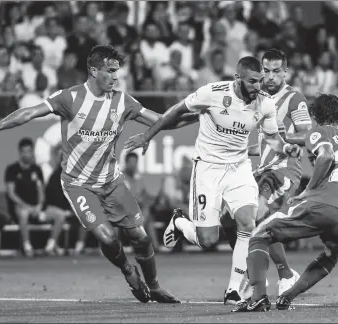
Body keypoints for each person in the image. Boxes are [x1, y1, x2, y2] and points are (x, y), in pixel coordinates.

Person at [0, 45, 197, 304]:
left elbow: (162, 121)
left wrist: (200, 115)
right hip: (78, 184)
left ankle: (155, 286)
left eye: (117, 72)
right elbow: (31, 112)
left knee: (141, 236)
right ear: (93, 71)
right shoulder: (69, 98)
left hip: (111, 181)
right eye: (110, 71)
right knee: (108, 237)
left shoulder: (123, 101)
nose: (115, 77)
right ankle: (127, 270)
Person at [124, 56, 302, 305]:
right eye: (252, 81)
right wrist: (147, 136)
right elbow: (175, 112)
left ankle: (233, 291)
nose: (257, 86)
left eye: (260, 81)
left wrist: (287, 148)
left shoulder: (265, 103)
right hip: (208, 169)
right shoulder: (213, 93)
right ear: (238, 78)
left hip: (239, 169)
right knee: (207, 240)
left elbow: (272, 138)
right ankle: (180, 223)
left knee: (248, 223)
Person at [233, 94, 338, 312]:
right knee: (329, 257)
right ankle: (288, 296)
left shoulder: (320, 132)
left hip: (323, 205)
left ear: (313, 115)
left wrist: (309, 189)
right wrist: (283, 138)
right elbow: (303, 139)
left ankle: (257, 297)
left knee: (259, 233)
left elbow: (326, 155)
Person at [224, 48, 313, 300]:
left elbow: (307, 135)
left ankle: (249, 281)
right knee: (236, 218)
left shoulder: (295, 99)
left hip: (284, 171)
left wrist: (286, 137)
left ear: (285, 71)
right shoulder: (259, 99)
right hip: (261, 170)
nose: (271, 77)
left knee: (257, 216)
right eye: (267, 71)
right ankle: (282, 275)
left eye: (277, 71)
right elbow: (262, 143)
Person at [4, 138, 46, 257]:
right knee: (23, 213)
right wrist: (27, 206)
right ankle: (27, 246)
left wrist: (39, 206)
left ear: (32, 152)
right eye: (24, 151)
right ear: (20, 152)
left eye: (29, 151)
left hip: (36, 208)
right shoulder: (12, 169)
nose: (27, 154)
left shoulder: (37, 170)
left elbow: (41, 191)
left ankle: (51, 246)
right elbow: (11, 193)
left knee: (58, 214)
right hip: (18, 208)